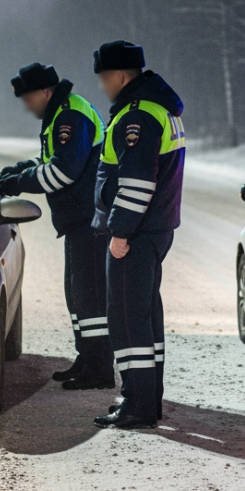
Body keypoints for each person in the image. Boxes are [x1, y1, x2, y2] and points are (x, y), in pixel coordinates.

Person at [0, 62, 114, 390]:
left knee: (89, 296)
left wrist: (20, 181)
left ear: (44, 92)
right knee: (77, 294)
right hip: (78, 219)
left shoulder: (70, 116)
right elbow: (51, 160)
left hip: (89, 219)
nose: (26, 104)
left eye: (27, 97)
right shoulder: (60, 114)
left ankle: (100, 368)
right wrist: (23, 168)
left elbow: (64, 171)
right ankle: (87, 357)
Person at [89, 41, 185, 430]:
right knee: (145, 316)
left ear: (121, 75)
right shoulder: (157, 109)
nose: (101, 86)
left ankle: (137, 404)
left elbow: (137, 183)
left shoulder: (137, 117)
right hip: (155, 230)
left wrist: (120, 232)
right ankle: (148, 399)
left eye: (104, 78)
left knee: (127, 318)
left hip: (137, 232)